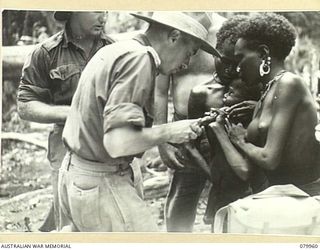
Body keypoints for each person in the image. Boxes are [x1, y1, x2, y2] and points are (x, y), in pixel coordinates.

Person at [58, 11, 221, 232]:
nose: (186, 64)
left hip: (77, 174)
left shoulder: (118, 49)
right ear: (173, 37)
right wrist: (169, 132)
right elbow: (119, 142)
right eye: (189, 53)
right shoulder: (139, 59)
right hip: (102, 180)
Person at [17, 11, 114, 231]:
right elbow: (26, 106)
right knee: (68, 220)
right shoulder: (45, 53)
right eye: (97, 10)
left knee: (107, 214)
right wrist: (73, 113)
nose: (104, 17)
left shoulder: (113, 50)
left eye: (107, 10)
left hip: (105, 141)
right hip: (65, 141)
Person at [209, 12, 320, 196]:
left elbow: (269, 159)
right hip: (281, 195)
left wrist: (239, 140)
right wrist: (220, 128)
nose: (237, 68)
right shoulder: (267, 93)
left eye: (241, 58)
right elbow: (248, 170)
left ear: (263, 53)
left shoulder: (289, 84)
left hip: (304, 199)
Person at [162, 15, 254, 232]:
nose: (231, 69)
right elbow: (159, 93)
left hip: (236, 153)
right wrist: (163, 141)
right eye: (225, 61)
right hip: (195, 140)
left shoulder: (251, 89)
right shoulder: (170, 28)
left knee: (230, 214)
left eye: (236, 63)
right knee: (181, 201)